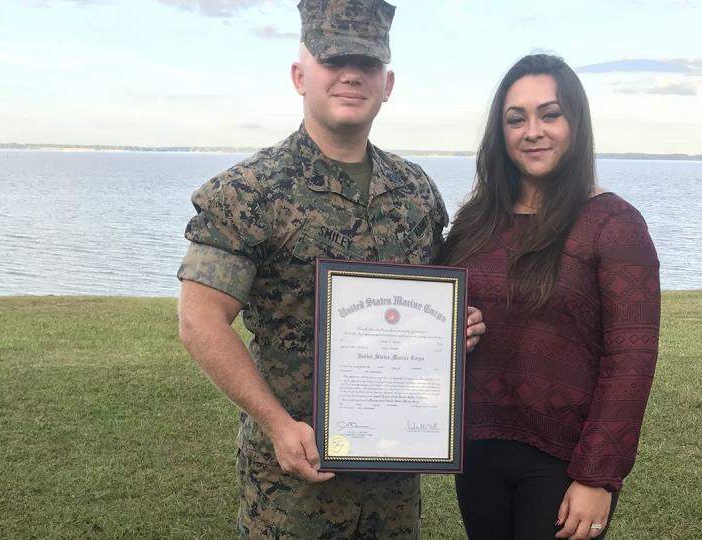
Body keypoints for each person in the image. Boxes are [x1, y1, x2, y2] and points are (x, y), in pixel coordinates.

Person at [176, 1, 484, 537]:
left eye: (366, 64)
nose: (350, 74)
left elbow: (430, 307)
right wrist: (276, 425)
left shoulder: (415, 193)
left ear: (387, 83)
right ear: (300, 76)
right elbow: (199, 320)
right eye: (332, 59)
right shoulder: (248, 192)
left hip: (395, 477)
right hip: (292, 486)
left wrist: (454, 330)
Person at [439, 54, 661, 540]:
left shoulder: (614, 224)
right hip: (477, 450)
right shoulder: (475, 222)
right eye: (515, 119)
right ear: (500, 132)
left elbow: (632, 356)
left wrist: (597, 476)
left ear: (575, 123)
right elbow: (431, 313)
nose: (532, 130)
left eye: (550, 114)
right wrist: (453, 329)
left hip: (565, 461)